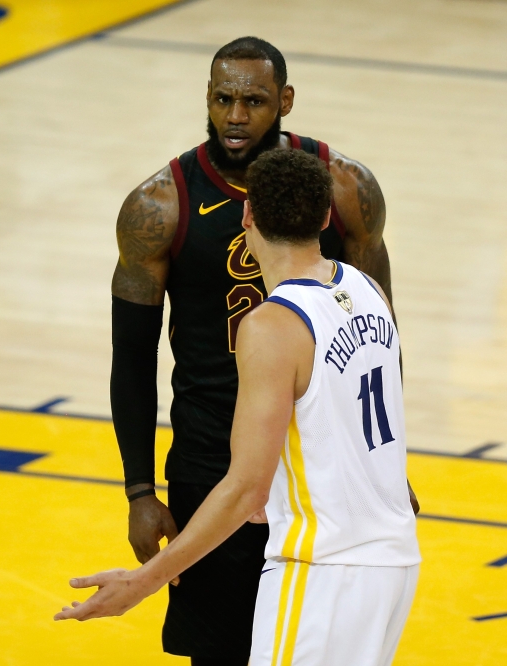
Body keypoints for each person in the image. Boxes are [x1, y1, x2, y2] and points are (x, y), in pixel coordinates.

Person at [109, 36, 415, 666]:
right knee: (220, 650)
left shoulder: (345, 187)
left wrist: (385, 465)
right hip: (212, 460)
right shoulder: (159, 205)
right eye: (223, 99)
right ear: (207, 98)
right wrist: (139, 488)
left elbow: (378, 343)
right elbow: (131, 357)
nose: (236, 116)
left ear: (285, 100)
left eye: (253, 101)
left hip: (315, 467)